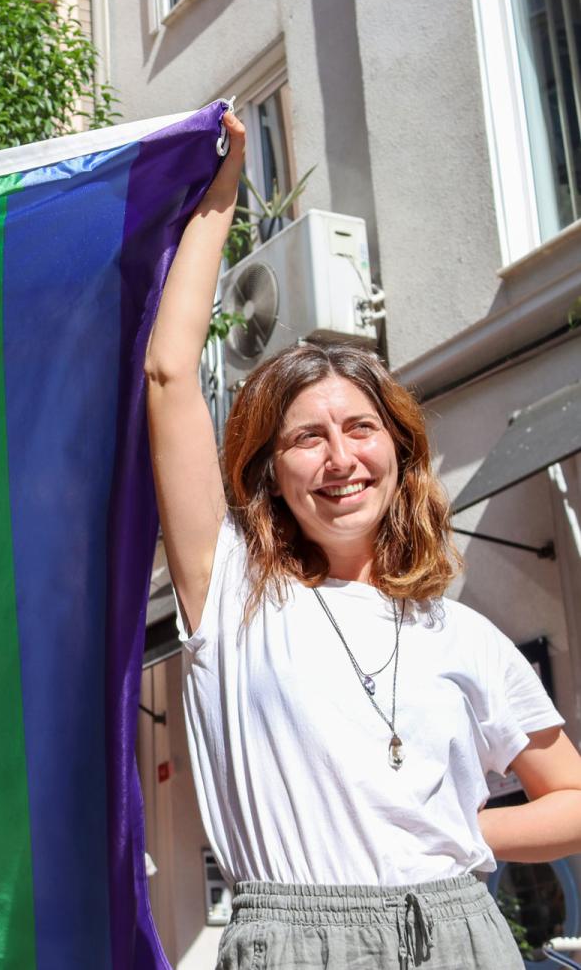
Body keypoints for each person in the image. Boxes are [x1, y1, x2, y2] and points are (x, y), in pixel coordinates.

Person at [146, 111, 581, 968]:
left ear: (399, 450)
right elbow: (167, 375)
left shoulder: (460, 633)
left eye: (361, 428)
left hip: (463, 931)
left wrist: (473, 828)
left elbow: (571, 796)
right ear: (271, 470)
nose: (341, 458)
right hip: (297, 941)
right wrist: (219, 197)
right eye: (308, 437)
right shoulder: (228, 585)